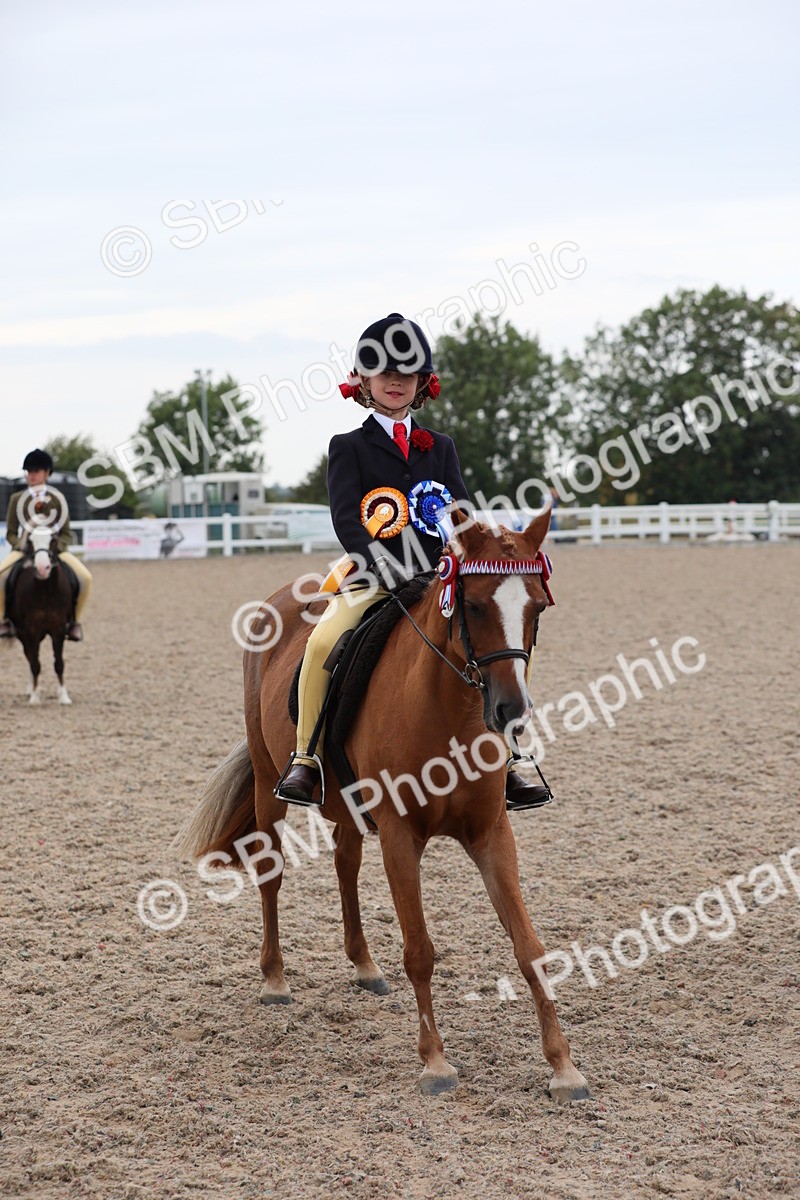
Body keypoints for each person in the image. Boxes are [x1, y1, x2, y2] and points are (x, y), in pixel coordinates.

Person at [277, 312, 550, 811]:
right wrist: (382, 563)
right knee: (322, 642)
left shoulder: (440, 447)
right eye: (385, 373)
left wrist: (480, 554)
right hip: (374, 575)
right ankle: (306, 757)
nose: (396, 382)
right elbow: (346, 519)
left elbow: (461, 515)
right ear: (364, 382)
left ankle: (513, 757)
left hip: (438, 576)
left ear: (423, 382)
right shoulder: (348, 447)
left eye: (407, 374)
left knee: (500, 640)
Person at [0, 448, 92, 641]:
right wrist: (20, 545)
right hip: (24, 550)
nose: (31, 475)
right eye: (28, 472)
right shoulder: (16, 499)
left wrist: (55, 548)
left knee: (85, 578)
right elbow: (11, 533)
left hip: (53, 550)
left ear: (47, 473)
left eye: (36, 471)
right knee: (0, 576)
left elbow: (66, 533)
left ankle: (74, 622)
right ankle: (4, 620)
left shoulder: (58, 499)